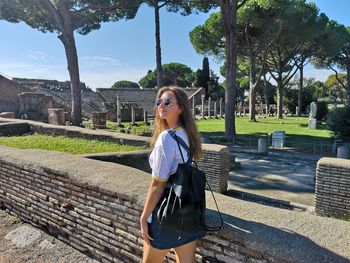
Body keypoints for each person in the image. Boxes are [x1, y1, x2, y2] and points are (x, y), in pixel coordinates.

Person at [140, 86, 205, 263]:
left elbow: (158, 184)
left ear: (181, 108)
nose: (162, 105)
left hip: (166, 210)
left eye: (168, 101)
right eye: (159, 101)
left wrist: (144, 217)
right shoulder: (187, 133)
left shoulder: (166, 138)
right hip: (188, 209)